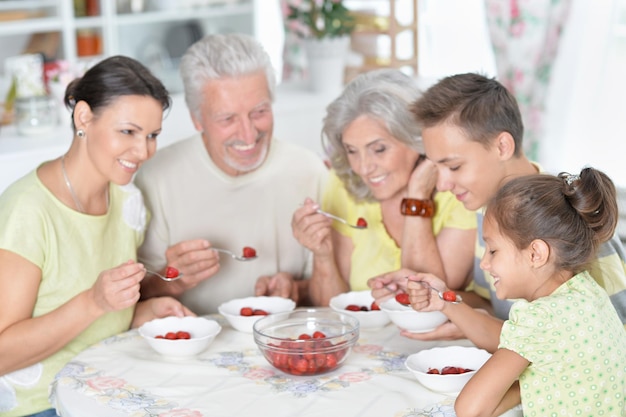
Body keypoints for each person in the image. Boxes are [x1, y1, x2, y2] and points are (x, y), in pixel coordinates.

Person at [369, 73, 626, 347]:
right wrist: (438, 296)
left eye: (454, 166)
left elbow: (615, 333)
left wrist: (484, 328)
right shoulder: (486, 208)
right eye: (436, 167)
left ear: (502, 146)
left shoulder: (567, 214)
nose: (442, 184)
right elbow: (493, 303)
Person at [0, 56, 193, 417]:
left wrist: (142, 311)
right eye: (128, 132)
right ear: (84, 118)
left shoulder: (129, 201)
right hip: (42, 406)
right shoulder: (27, 211)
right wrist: (95, 302)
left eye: (152, 136)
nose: (143, 151)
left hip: (109, 389)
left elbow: (97, 316)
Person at [135, 33, 328, 314]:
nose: (248, 134)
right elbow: (132, 299)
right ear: (196, 119)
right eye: (227, 119)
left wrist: (295, 289)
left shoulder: (310, 171)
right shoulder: (155, 178)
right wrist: (171, 280)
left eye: (259, 111)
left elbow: (334, 289)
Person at [291, 69, 476, 306]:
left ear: (416, 139)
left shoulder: (458, 191)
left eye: (379, 149)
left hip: (438, 342)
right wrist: (323, 255)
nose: (364, 168)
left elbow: (430, 301)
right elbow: (333, 307)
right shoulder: (344, 185)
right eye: (351, 151)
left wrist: (417, 196)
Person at [453, 169, 626, 416]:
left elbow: (470, 409)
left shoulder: (541, 318)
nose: (484, 263)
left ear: (536, 254)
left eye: (492, 250)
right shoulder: (589, 292)